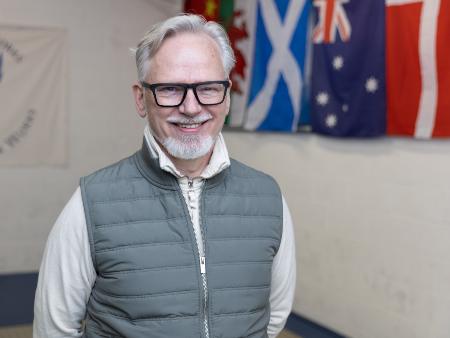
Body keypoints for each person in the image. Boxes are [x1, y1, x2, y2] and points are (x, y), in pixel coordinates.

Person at [33, 14, 296, 338]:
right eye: (170, 89)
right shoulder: (90, 204)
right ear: (140, 98)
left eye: (208, 88)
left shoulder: (268, 198)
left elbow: (271, 318)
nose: (190, 107)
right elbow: (54, 330)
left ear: (227, 97)